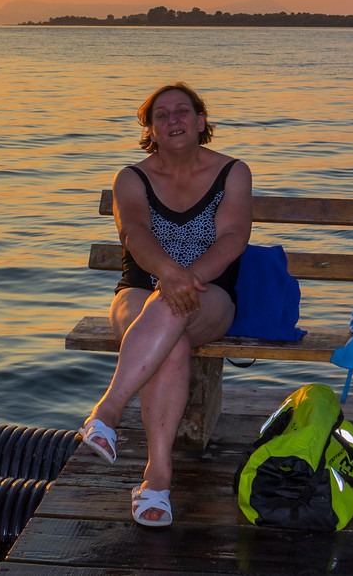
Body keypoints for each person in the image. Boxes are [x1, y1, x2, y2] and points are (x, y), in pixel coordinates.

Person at [78, 82, 252, 527]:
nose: (173, 119)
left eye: (182, 111)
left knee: (176, 309)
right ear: (150, 129)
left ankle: (108, 412)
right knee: (169, 333)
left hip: (210, 293)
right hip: (139, 291)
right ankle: (157, 476)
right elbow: (133, 232)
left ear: (201, 121)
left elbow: (233, 238)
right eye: (161, 115)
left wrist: (185, 280)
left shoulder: (233, 172)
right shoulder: (131, 178)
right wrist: (169, 278)